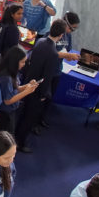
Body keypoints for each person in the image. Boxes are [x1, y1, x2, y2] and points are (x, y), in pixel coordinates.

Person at [15, 20, 65, 153]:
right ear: (61, 35)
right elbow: (47, 77)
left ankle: (15, 136)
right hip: (36, 89)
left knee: (23, 113)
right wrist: (43, 94)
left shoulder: (40, 41)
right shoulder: (53, 53)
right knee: (30, 117)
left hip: (28, 83)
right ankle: (21, 142)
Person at [0, 47, 39, 135]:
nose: (24, 64)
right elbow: (8, 100)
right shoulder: (6, 78)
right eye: (22, 62)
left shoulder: (12, 72)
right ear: (15, 61)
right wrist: (27, 92)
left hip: (10, 112)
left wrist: (27, 86)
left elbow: (14, 89)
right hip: (4, 114)